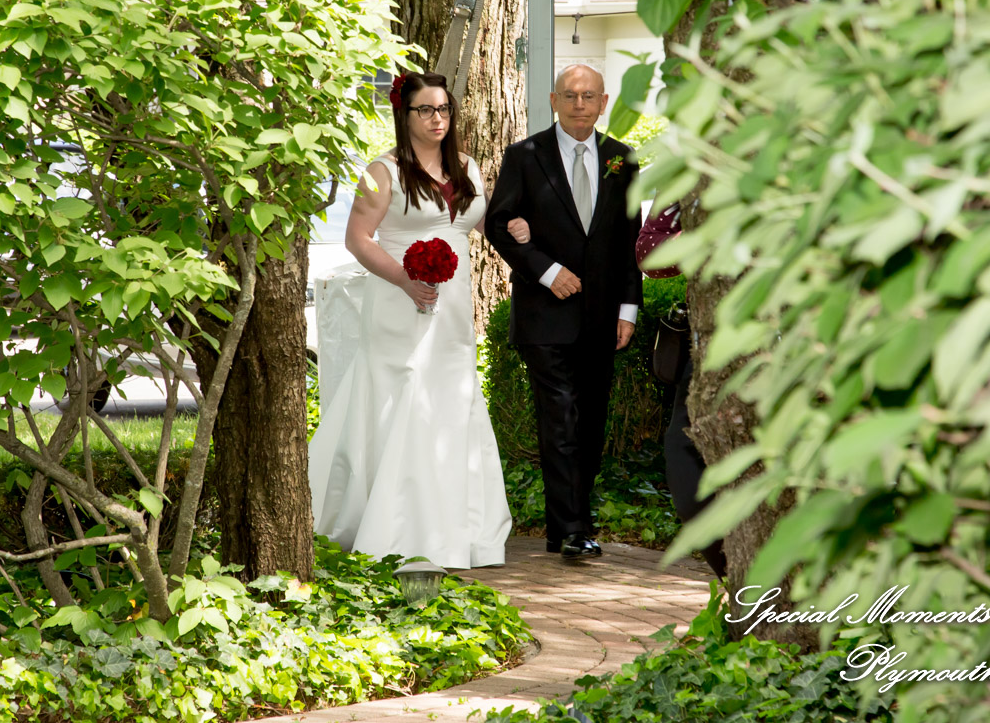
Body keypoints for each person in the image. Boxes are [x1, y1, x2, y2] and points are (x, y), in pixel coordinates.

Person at [306, 72, 511, 570]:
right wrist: (404, 279)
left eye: (444, 109)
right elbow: (358, 239)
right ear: (405, 114)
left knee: (453, 399)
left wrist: (518, 230)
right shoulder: (382, 171)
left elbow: (481, 223)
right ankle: (393, 524)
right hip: (399, 302)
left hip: (453, 309)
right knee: (402, 397)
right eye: (426, 109)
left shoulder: (467, 166)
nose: (437, 118)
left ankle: (459, 528)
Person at [484, 64, 643, 561]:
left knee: (590, 423)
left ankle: (566, 526)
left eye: (589, 96)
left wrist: (628, 309)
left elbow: (629, 241)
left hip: (602, 317)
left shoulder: (622, 160)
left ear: (603, 102)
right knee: (560, 418)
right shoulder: (525, 156)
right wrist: (547, 271)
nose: (579, 104)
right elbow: (498, 224)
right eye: (570, 95)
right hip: (545, 315)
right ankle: (574, 528)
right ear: (554, 101)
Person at [636, 201, 729, 581]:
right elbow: (648, 253)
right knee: (683, 455)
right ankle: (734, 574)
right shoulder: (692, 175)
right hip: (705, 347)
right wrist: (696, 238)